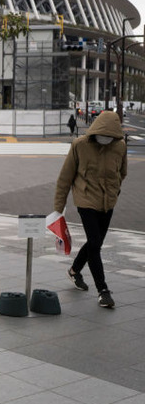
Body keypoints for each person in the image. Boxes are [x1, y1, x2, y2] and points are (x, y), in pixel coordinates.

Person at [53, 110, 127, 308]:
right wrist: (58, 210)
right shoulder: (80, 145)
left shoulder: (120, 146)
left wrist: (115, 191)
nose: (105, 139)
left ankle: (74, 271)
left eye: (109, 137)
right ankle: (103, 290)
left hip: (108, 202)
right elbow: (65, 179)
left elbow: (123, 172)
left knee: (95, 243)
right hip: (85, 200)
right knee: (95, 243)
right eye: (102, 135)